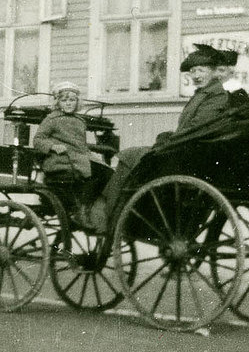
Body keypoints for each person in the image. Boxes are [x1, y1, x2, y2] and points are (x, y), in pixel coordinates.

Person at [92, 44, 231, 230]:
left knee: (129, 156)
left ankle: (106, 214)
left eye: (201, 70)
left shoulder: (215, 96)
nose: (196, 75)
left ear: (213, 72)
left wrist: (169, 139)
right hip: (184, 148)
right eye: (193, 71)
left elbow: (197, 129)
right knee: (134, 157)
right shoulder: (204, 94)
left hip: (186, 153)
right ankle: (114, 210)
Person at [33, 81, 100, 230]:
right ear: (58, 102)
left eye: (72, 100)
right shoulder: (52, 119)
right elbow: (38, 140)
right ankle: (78, 211)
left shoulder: (80, 121)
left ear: (77, 102)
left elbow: (81, 145)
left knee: (101, 172)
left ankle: (86, 210)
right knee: (80, 176)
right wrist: (52, 146)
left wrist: (91, 156)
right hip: (60, 161)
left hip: (78, 159)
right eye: (64, 100)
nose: (68, 103)